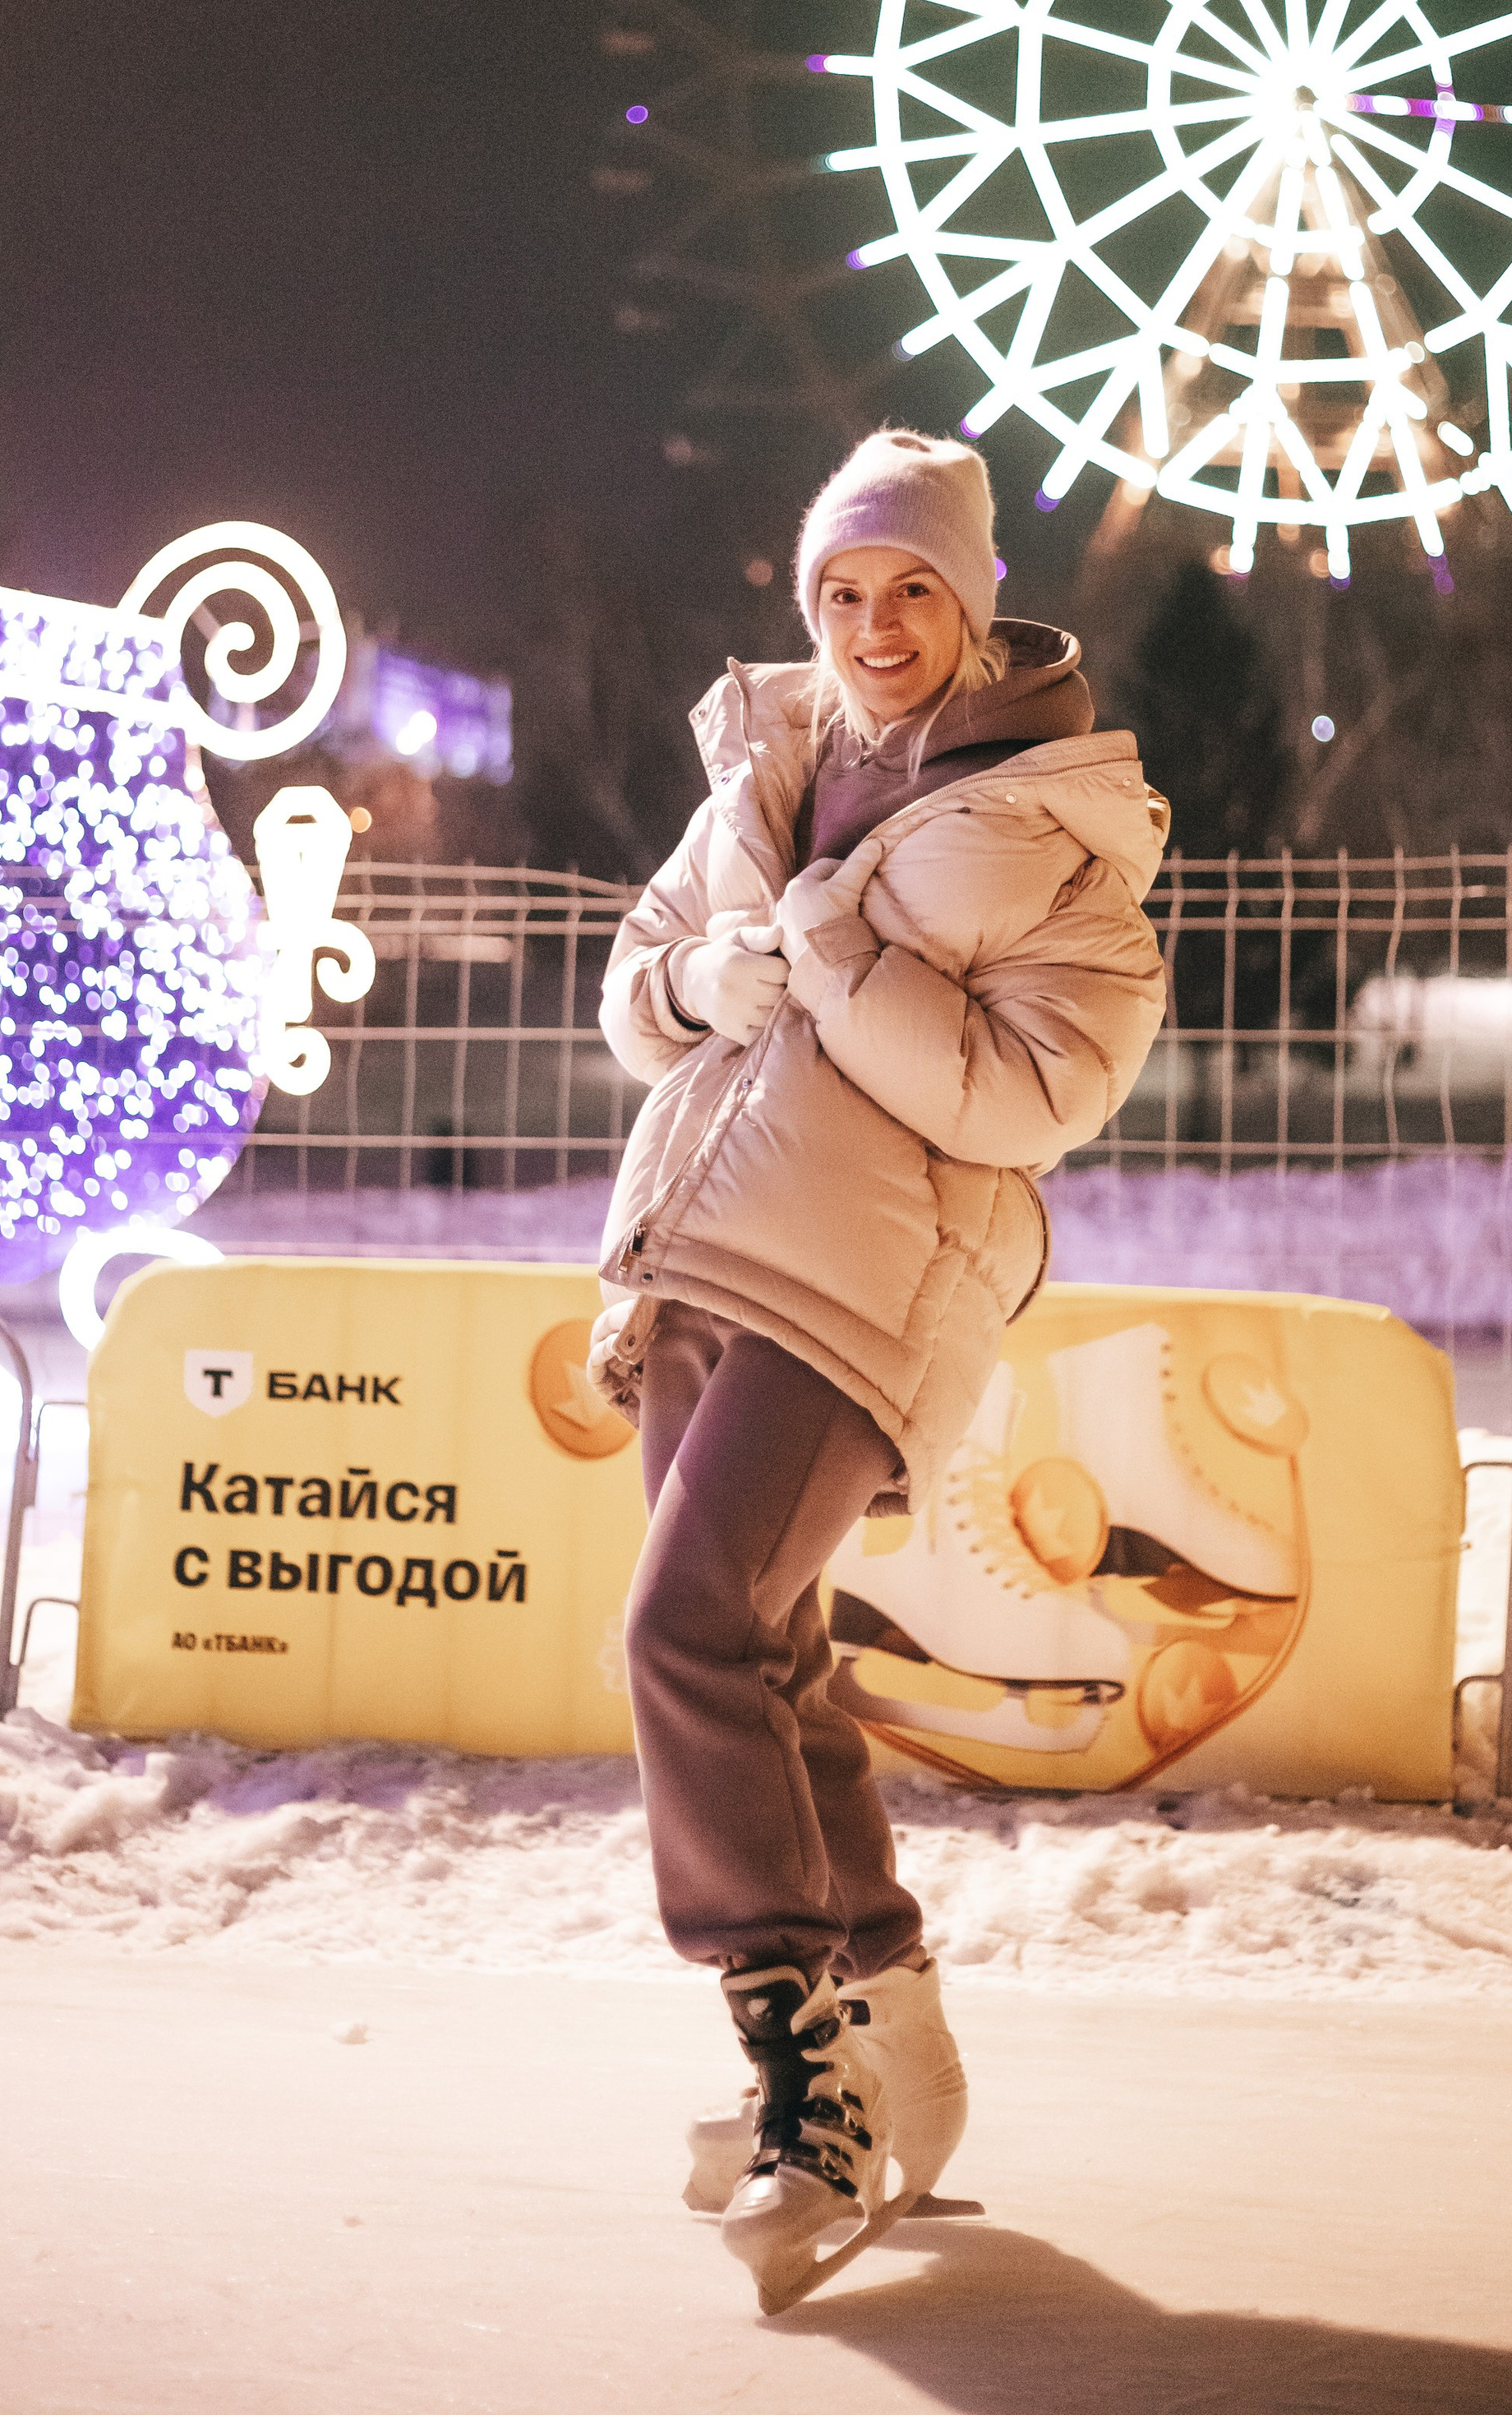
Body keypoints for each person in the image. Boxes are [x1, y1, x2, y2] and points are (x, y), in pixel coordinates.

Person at [591, 427, 1166, 2304]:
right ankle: (890, 2014)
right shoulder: (766, 762)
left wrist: (826, 953)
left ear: (975, 592)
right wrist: (694, 989)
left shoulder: (1061, 826)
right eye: (838, 592)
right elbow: (639, 971)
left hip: (860, 1292)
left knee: (683, 1626)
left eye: (909, 586)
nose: (871, 624)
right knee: (765, 1655)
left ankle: (798, 2080)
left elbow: (1024, 1098)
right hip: (697, 1251)